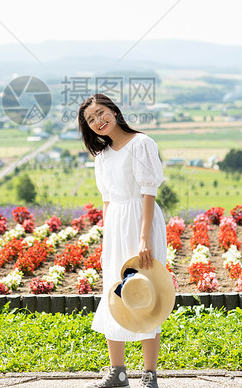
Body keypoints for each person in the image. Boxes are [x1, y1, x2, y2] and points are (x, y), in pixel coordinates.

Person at [78, 93, 167, 388]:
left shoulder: (142, 144)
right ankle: (118, 371)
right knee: (114, 292)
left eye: (101, 113)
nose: (98, 121)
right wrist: (106, 241)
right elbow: (106, 202)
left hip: (141, 221)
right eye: (91, 120)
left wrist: (144, 239)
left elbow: (148, 193)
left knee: (146, 292)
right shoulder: (101, 157)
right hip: (116, 225)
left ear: (114, 111)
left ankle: (150, 374)